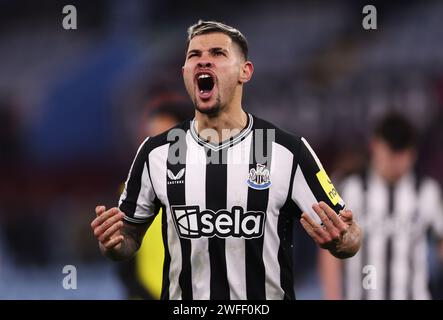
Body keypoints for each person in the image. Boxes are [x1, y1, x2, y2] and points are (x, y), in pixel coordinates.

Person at [91, 20, 362, 300]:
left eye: (218, 54)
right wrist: (113, 244)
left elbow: (351, 234)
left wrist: (343, 240)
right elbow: (129, 237)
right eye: (194, 55)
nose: (203, 62)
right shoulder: (155, 153)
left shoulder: (287, 150)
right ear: (184, 72)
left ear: (245, 71)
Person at [319, 112, 443, 300]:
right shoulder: (349, 189)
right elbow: (329, 253)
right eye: (391, 153)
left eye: (402, 154)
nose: (396, 162)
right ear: (375, 146)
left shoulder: (426, 192)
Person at [117, 94, 193, 299]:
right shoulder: (130, 192)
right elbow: (125, 267)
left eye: (164, 138)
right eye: (151, 138)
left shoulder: (213, 190)